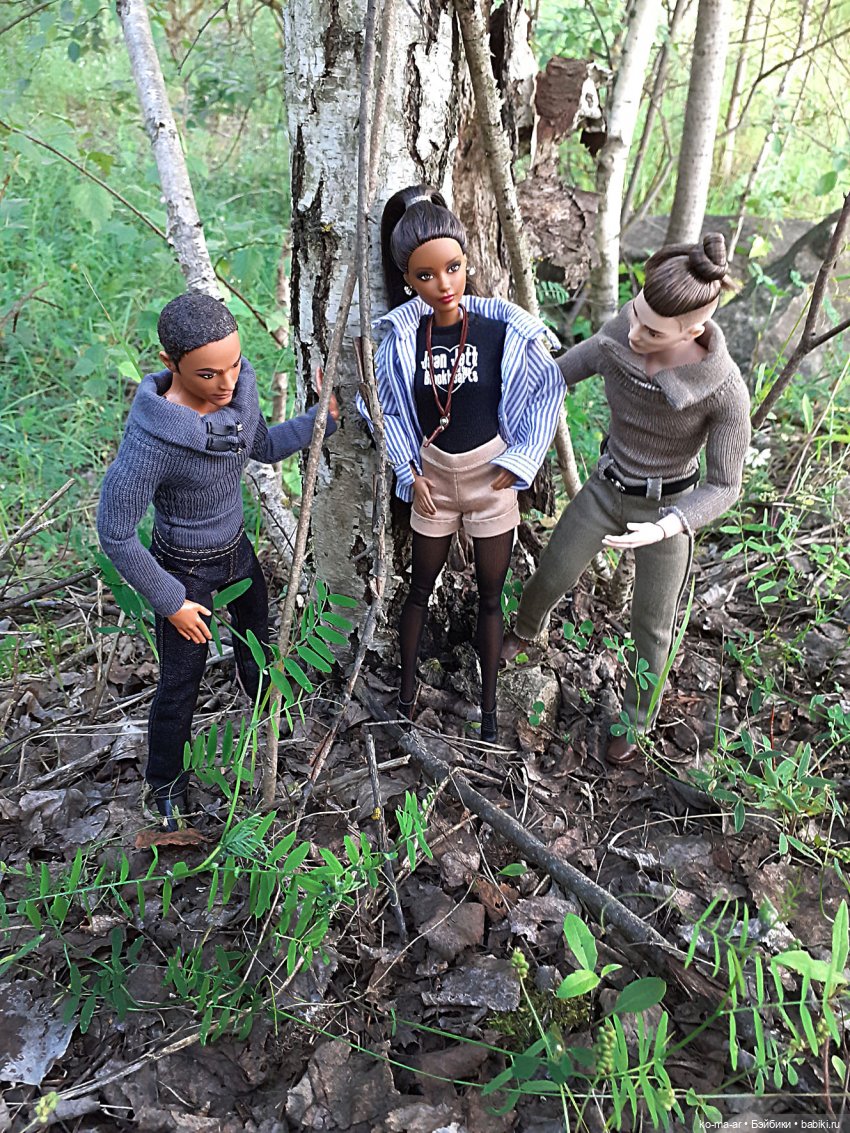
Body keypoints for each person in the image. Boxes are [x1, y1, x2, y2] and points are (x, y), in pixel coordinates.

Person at [502, 233, 751, 765]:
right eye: (635, 315)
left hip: (666, 508)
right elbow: (570, 367)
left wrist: (668, 526)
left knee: (652, 624)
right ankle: (525, 630)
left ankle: (637, 718)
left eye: (653, 330)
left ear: (694, 329)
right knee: (553, 569)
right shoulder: (624, 332)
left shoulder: (723, 388)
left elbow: (726, 484)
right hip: (605, 488)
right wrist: (520, 397)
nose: (635, 332)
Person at [97, 291, 339, 830]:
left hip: (237, 554)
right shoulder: (153, 440)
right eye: (208, 374)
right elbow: (115, 532)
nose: (226, 384)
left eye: (233, 364)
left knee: (258, 639)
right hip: (184, 571)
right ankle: (166, 785)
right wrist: (171, 600)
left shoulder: (238, 394)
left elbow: (263, 446)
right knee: (181, 683)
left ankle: (268, 729)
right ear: (171, 365)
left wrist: (321, 419)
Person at [357, 185, 565, 743]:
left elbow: (548, 388)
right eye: (426, 276)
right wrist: (408, 469)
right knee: (420, 585)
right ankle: (404, 699)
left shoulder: (504, 329)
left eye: (452, 268)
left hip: (491, 475)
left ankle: (492, 711)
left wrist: (520, 459)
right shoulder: (402, 338)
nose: (443, 285)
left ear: (468, 262)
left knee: (492, 596)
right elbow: (379, 406)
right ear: (407, 280)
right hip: (432, 478)